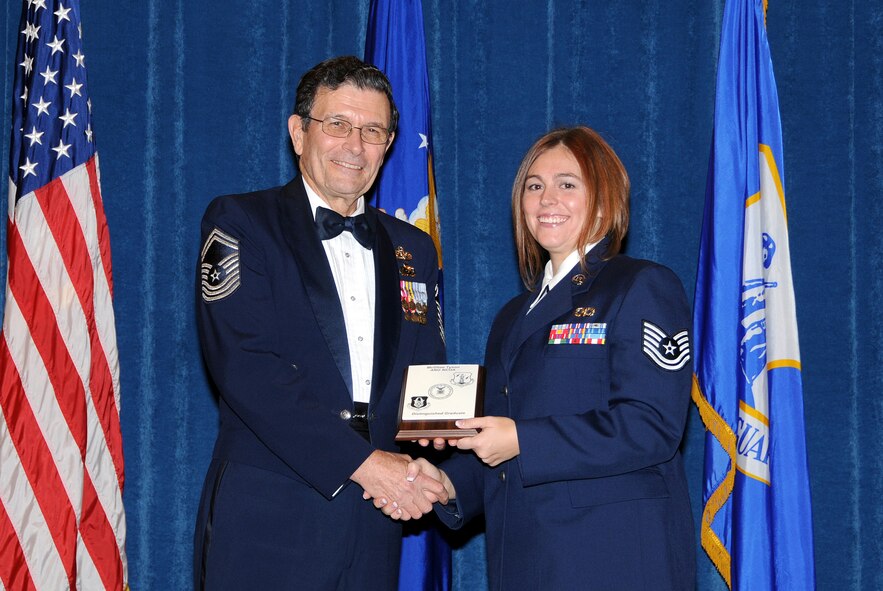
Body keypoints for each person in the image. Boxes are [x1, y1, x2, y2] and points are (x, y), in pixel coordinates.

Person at [192, 55, 448, 590]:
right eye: (338, 125)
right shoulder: (241, 222)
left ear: (389, 143)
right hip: (269, 516)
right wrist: (365, 464)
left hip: (376, 521)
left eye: (372, 130)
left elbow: (426, 381)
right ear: (298, 132)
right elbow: (246, 368)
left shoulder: (414, 248)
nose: (355, 145)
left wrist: (446, 475)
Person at [413, 126, 696, 589]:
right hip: (525, 558)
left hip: (613, 560)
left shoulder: (641, 286)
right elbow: (501, 436)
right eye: (534, 186)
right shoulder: (512, 315)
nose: (548, 199)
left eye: (568, 184)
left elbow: (652, 427)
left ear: (605, 197)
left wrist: (522, 439)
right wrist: (448, 484)